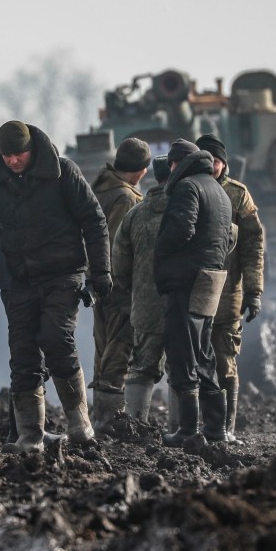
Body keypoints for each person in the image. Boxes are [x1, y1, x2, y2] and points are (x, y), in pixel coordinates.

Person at [0, 120, 111, 452]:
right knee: (24, 354)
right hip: (18, 280)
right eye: (7, 156)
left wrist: (100, 273)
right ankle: (31, 436)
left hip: (63, 274)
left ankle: (79, 423)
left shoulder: (64, 173)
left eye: (20, 154)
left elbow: (94, 220)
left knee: (56, 338)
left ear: (33, 150)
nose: (13, 161)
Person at [154, 139, 233, 446]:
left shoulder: (188, 188)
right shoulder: (219, 191)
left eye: (171, 164)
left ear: (178, 164)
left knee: (182, 353)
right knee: (204, 354)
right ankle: (215, 429)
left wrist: (160, 254)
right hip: (210, 280)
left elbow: (180, 229)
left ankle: (188, 430)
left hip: (185, 281)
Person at [194, 134, 265, 443]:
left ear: (224, 163)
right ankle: (195, 426)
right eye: (206, 161)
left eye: (217, 161)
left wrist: (254, 291)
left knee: (225, 362)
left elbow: (253, 246)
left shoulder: (239, 196)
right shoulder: (185, 190)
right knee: (191, 363)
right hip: (192, 292)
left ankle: (227, 428)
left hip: (227, 294)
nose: (213, 167)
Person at [88, 137, 150, 429]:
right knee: (120, 344)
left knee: (103, 345)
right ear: (141, 170)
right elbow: (118, 245)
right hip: (118, 284)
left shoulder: (99, 188)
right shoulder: (126, 198)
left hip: (98, 281)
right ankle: (108, 416)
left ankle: (99, 414)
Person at [111, 155, 170, 422]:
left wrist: (135, 292)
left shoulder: (135, 215)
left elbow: (119, 264)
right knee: (182, 367)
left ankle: (135, 423)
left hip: (145, 306)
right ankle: (180, 428)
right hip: (182, 304)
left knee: (142, 366)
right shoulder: (187, 209)